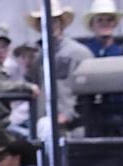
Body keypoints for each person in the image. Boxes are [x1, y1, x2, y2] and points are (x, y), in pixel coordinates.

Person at [25, 1, 93, 135]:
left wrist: (69, 115)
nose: (49, 25)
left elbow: (91, 92)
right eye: (44, 21)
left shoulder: (79, 53)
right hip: (44, 125)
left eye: (54, 21)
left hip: (71, 128)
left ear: (61, 23)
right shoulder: (39, 57)